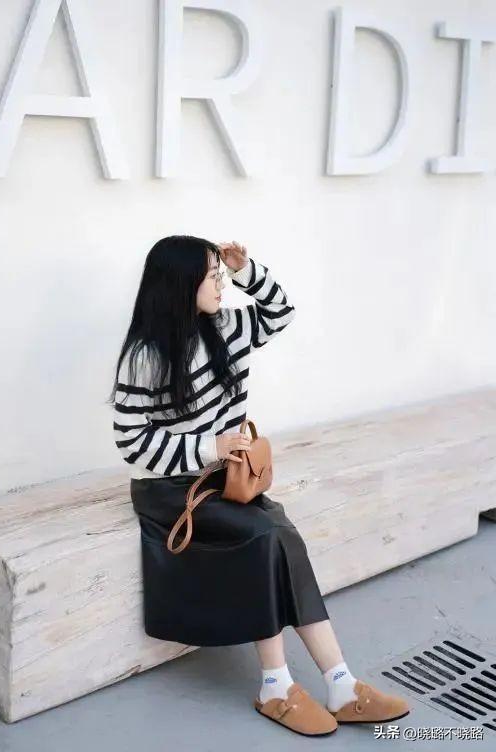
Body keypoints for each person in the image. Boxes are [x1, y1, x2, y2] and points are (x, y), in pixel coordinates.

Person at [108, 235, 410, 736]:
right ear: (180, 283)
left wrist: (246, 270)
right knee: (264, 535)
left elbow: (280, 311)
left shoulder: (226, 326)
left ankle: (340, 684)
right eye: (212, 276)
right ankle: (276, 685)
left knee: (282, 534)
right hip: (169, 488)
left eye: (220, 275)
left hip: (226, 480)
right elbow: (132, 444)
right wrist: (209, 447)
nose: (220, 285)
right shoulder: (145, 356)